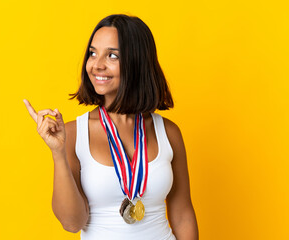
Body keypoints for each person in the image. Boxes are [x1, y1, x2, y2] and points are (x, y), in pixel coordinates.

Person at [24, 14, 198, 240]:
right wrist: (58, 153)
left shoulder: (168, 132)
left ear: (137, 62)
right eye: (93, 53)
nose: (97, 65)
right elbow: (71, 222)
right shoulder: (73, 134)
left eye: (112, 55)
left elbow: (183, 214)